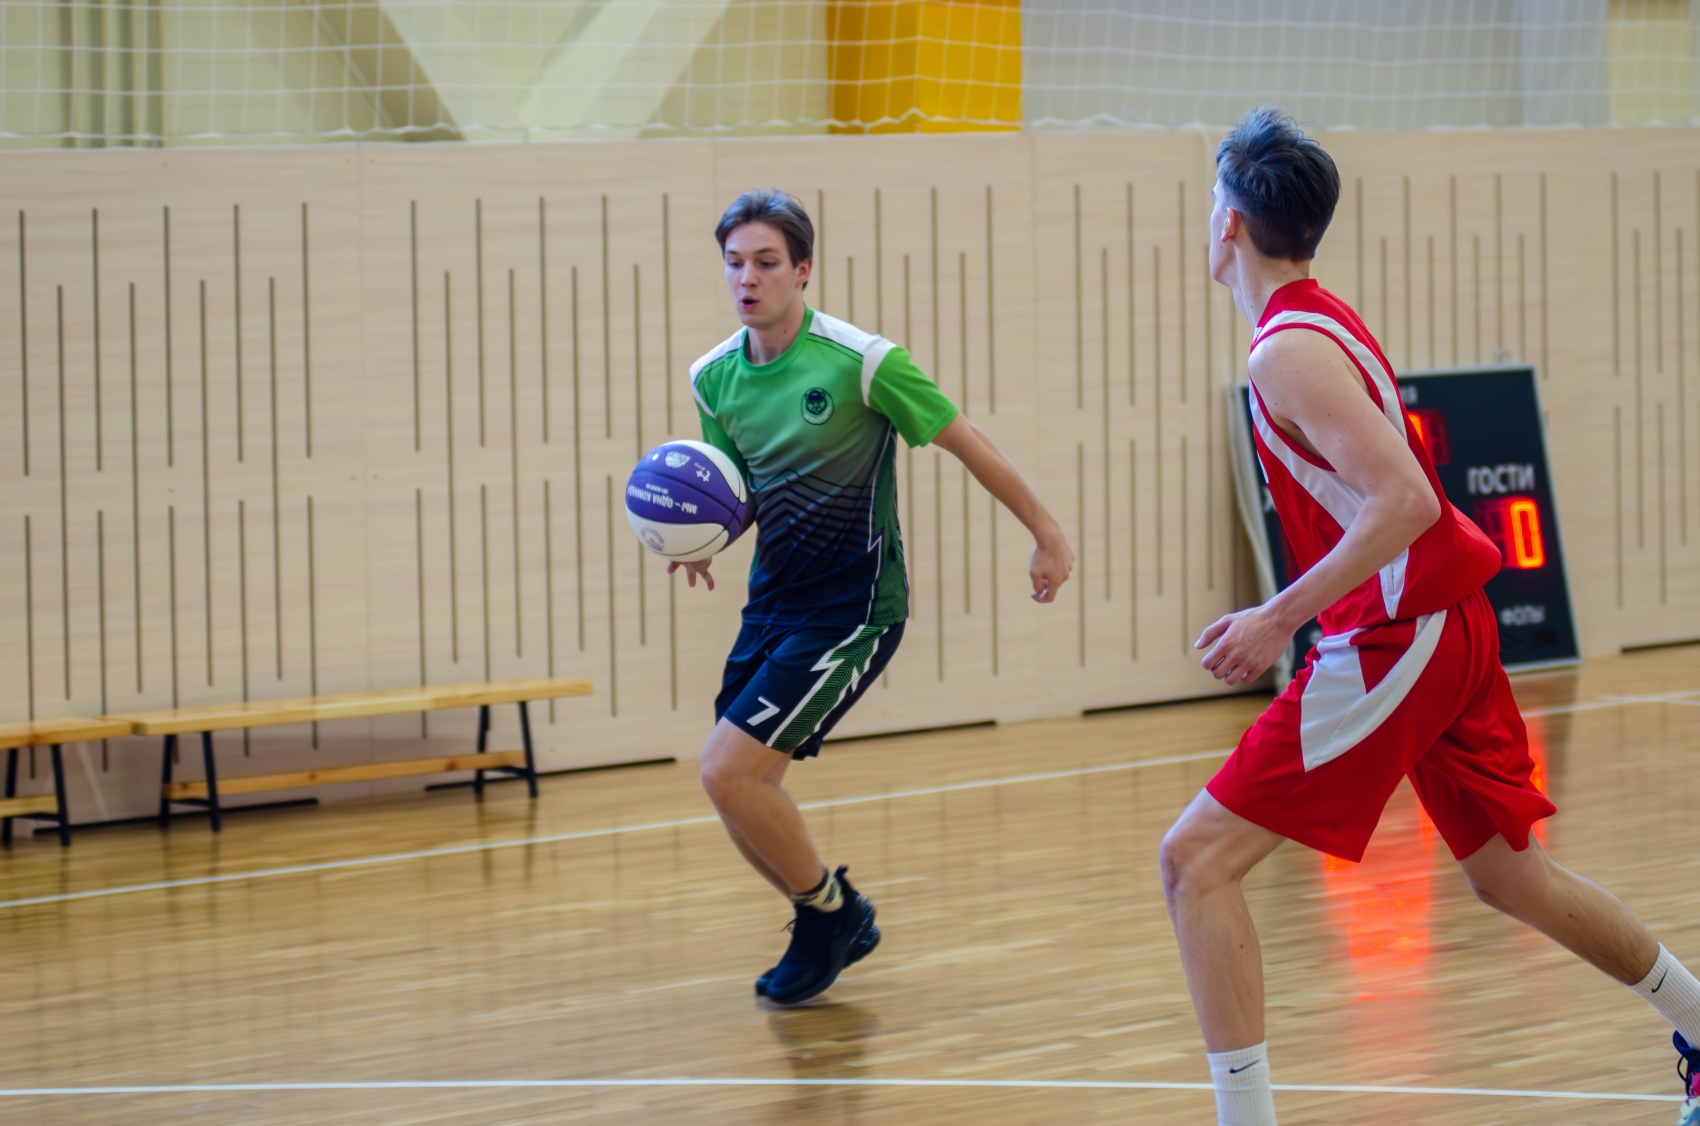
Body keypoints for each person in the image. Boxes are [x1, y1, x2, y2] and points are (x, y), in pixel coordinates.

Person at [1163, 106, 1700, 1126]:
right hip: (1443, 623)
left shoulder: (1283, 353)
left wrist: (1277, 616)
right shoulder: (1316, 319)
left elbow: (1405, 500)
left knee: (1193, 862)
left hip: (1398, 636)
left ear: (1228, 223)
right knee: (1511, 878)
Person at [677, 188, 1074, 1007]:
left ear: (803, 270)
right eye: (734, 262)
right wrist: (699, 536)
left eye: (766, 262)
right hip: (772, 604)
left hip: (853, 612)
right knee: (733, 784)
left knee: (728, 771)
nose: (747, 278)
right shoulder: (713, 378)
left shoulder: (862, 362)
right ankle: (826, 913)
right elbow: (741, 490)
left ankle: (831, 915)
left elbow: (969, 442)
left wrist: (1047, 532)